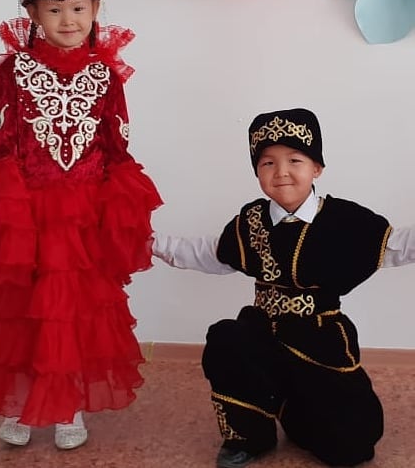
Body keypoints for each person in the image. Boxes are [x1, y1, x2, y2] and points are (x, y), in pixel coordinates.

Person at [0, 0, 162, 451]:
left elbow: (116, 142)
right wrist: (11, 206)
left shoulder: (106, 73)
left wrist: (118, 204)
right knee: (27, 310)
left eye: (79, 8)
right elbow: (3, 142)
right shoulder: (13, 72)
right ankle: (22, 403)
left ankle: (68, 407)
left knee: (78, 311)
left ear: (96, 10)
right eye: (55, 10)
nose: (69, 20)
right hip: (31, 210)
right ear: (33, 15)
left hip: (85, 211)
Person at [152, 107, 415, 468]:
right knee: (227, 338)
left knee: (351, 449)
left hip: (320, 341)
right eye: (268, 163)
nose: (281, 172)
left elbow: (396, 247)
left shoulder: (344, 220)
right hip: (264, 334)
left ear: (316, 168)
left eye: (295, 160)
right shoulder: (251, 221)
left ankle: (292, 409)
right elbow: (210, 254)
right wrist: (149, 243)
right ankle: (249, 435)